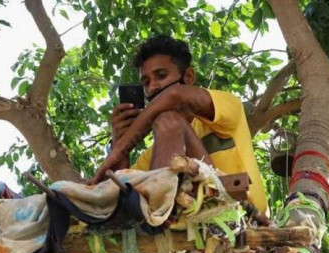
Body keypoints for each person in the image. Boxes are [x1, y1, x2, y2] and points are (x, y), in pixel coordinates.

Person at [92, 35, 268, 215]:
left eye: (161, 75)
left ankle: (157, 214)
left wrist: (120, 148)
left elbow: (174, 95)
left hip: (237, 215)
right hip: (182, 227)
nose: (152, 87)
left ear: (189, 76)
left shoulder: (229, 107)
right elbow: (119, 191)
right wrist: (119, 143)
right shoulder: (156, 153)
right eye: (146, 83)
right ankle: (157, 216)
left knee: (168, 120)